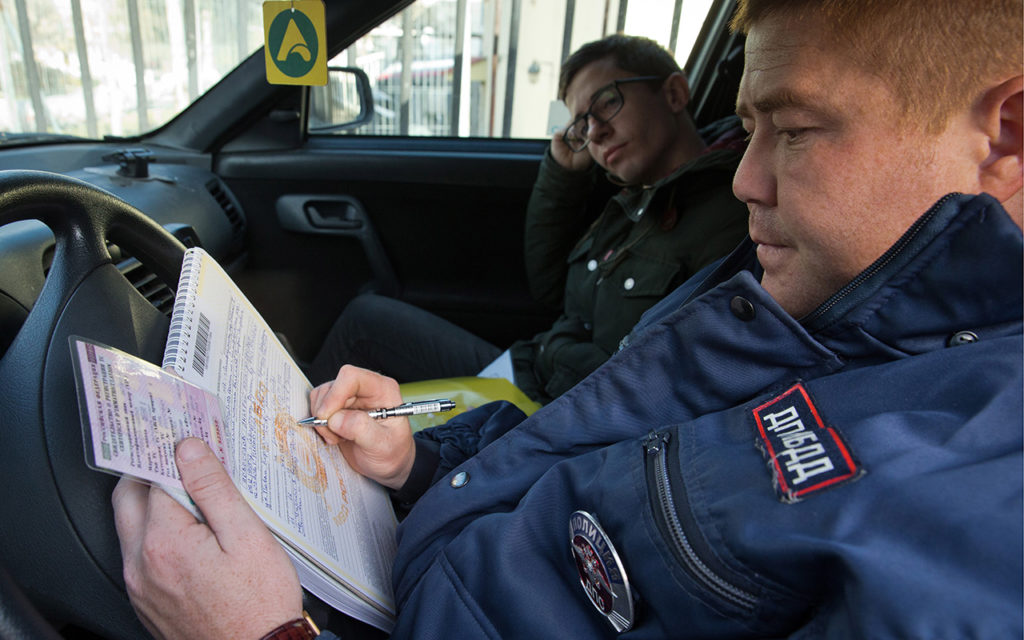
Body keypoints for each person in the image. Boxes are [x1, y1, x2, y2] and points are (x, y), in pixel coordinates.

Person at [113, 0, 1023, 637]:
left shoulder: (973, 541)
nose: (749, 179)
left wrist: (268, 635)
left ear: (1008, 134)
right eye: (749, 130)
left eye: (796, 130)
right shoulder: (796, 289)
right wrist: (419, 466)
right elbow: (598, 437)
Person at [307, 34, 750, 404]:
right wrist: (563, 173)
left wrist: (555, 353)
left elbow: (664, 385)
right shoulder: (634, 200)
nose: (595, 132)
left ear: (674, 94)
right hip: (526, 373)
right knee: (365, 319)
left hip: (547, 411)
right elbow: (548, 287)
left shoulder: (731, 215)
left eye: (607, 102)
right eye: (582, 124)